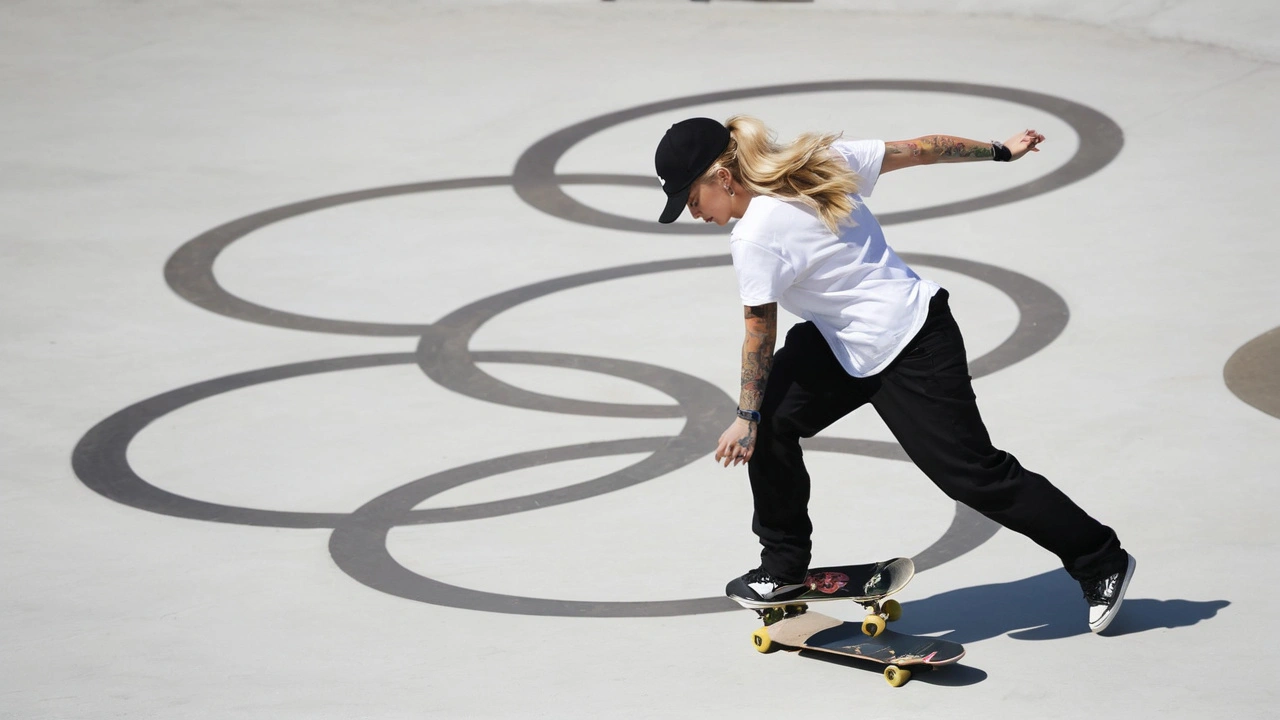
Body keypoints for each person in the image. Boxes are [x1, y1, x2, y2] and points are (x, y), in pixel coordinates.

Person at [653, 116, 1135, 634]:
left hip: (912, 344)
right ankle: (783, 568)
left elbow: (758, 332)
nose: (693, 213)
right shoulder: (814, 165)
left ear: (722, 177)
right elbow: (921, 149)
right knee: (773, 421)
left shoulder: (756, 237)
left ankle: (1100, 557)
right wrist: (999, 151)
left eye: (692, 198)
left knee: (972, 475)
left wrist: (744, 415)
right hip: (842, 341)